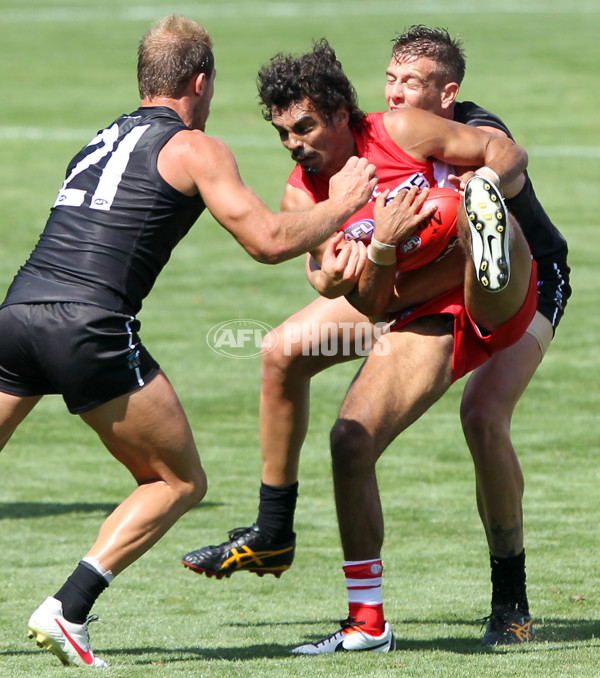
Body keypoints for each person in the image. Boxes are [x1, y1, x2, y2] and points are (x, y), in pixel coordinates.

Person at [6, 16, 376, 669]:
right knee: (177, 480)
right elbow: (266, 241)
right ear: (199, 81)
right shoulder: (194, 146)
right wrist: (345, 202)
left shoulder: (101, 137)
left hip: (17, 315)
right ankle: (68, 608)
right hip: (89, 326)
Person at [182, 38, 539, 649]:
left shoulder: (401, 128)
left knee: (463, 217)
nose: (295, 145)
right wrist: (380, 247)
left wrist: (490, 181)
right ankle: (357, 614)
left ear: (343, 115)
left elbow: (507, 149)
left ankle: (485, 230)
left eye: (305, 128)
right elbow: (367, 303)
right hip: (413, 310)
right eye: (283, 135)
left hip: (495, 291)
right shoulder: (305, 197)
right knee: (341, 428)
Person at [384, 26, 570, 645]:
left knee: (483, 415)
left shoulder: (476, 127)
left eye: (410, 83)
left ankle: (511, 602)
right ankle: (272, 524)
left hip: (535, 278)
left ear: (448, 93)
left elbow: (507, 151)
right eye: (389, 78)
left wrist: (484, 179)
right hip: (443, 282)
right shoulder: (390, 135)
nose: (394, 92)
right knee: (289, 349)